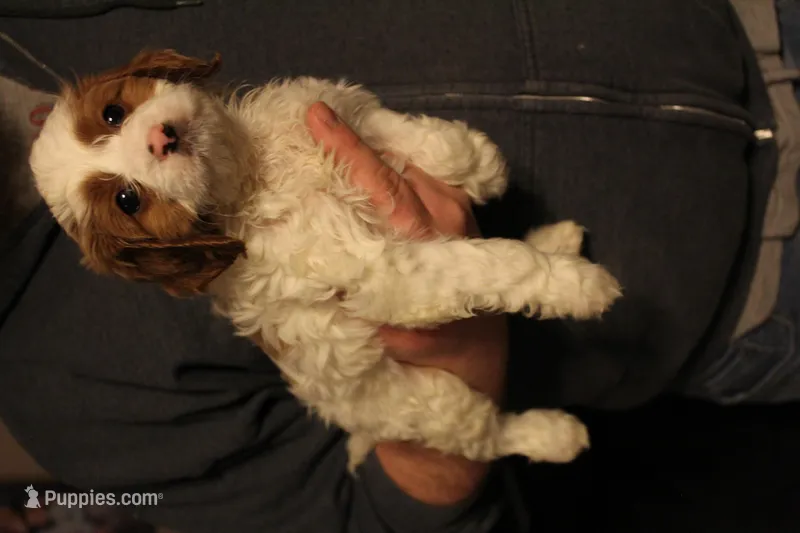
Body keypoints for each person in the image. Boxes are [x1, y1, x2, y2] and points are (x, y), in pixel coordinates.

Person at [0, 1, 795, 532]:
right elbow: (372, 519)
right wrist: (463, 347)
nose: (149, 141)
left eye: (114, 115)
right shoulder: (62, 402)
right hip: (762, 294)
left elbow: (350, 108)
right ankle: (512, 430)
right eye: (129, 199)